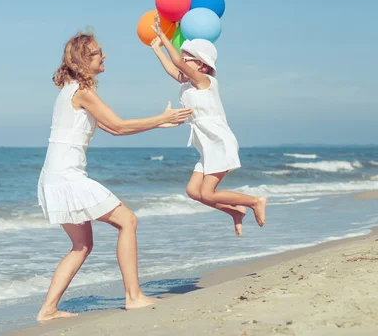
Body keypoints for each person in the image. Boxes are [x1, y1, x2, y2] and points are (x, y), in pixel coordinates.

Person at [36, 31, 192, 321]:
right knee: (128, 220)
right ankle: (133, 296)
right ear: (84, 60)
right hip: (66, 177)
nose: (104, 55)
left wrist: (157, 126)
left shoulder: (72, 89)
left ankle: (47, 310)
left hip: (54, 176)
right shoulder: (83, 91)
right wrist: (162, 118)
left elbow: (110, 127)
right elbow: (118, 126)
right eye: (97, 52)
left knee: (82, 245)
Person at [150, 16, 266, 237]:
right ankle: (235, 212)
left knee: (208, 193)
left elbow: (176, 63)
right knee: (194, 192)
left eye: (188, 59)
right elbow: (171, 68)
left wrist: (163, 36)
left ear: (202, 66)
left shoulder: (206, 82)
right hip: (206, 146)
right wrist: (157, 49)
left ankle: (255, 201)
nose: (183, 60)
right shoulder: (187, 85)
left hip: (219, 142)